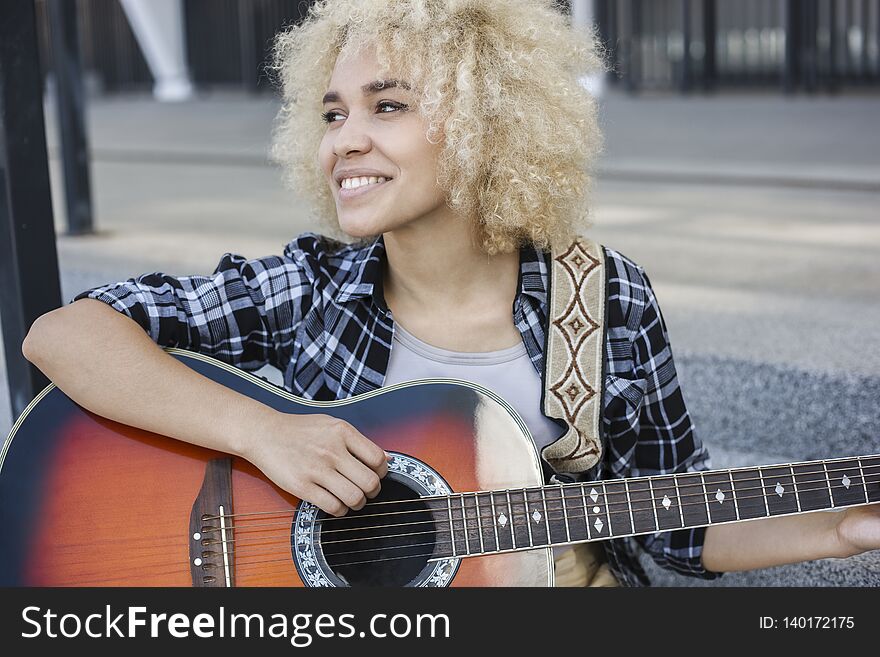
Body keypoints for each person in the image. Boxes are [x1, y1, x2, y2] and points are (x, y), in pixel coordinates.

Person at [22, 0, 878, 586]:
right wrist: (265, 433)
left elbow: (679, 519)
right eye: (331, 114)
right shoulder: (312, 287)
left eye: (386, 107)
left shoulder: (605, 302)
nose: (344, 141)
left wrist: (841, 530)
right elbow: (65, 335)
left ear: (488, 124)